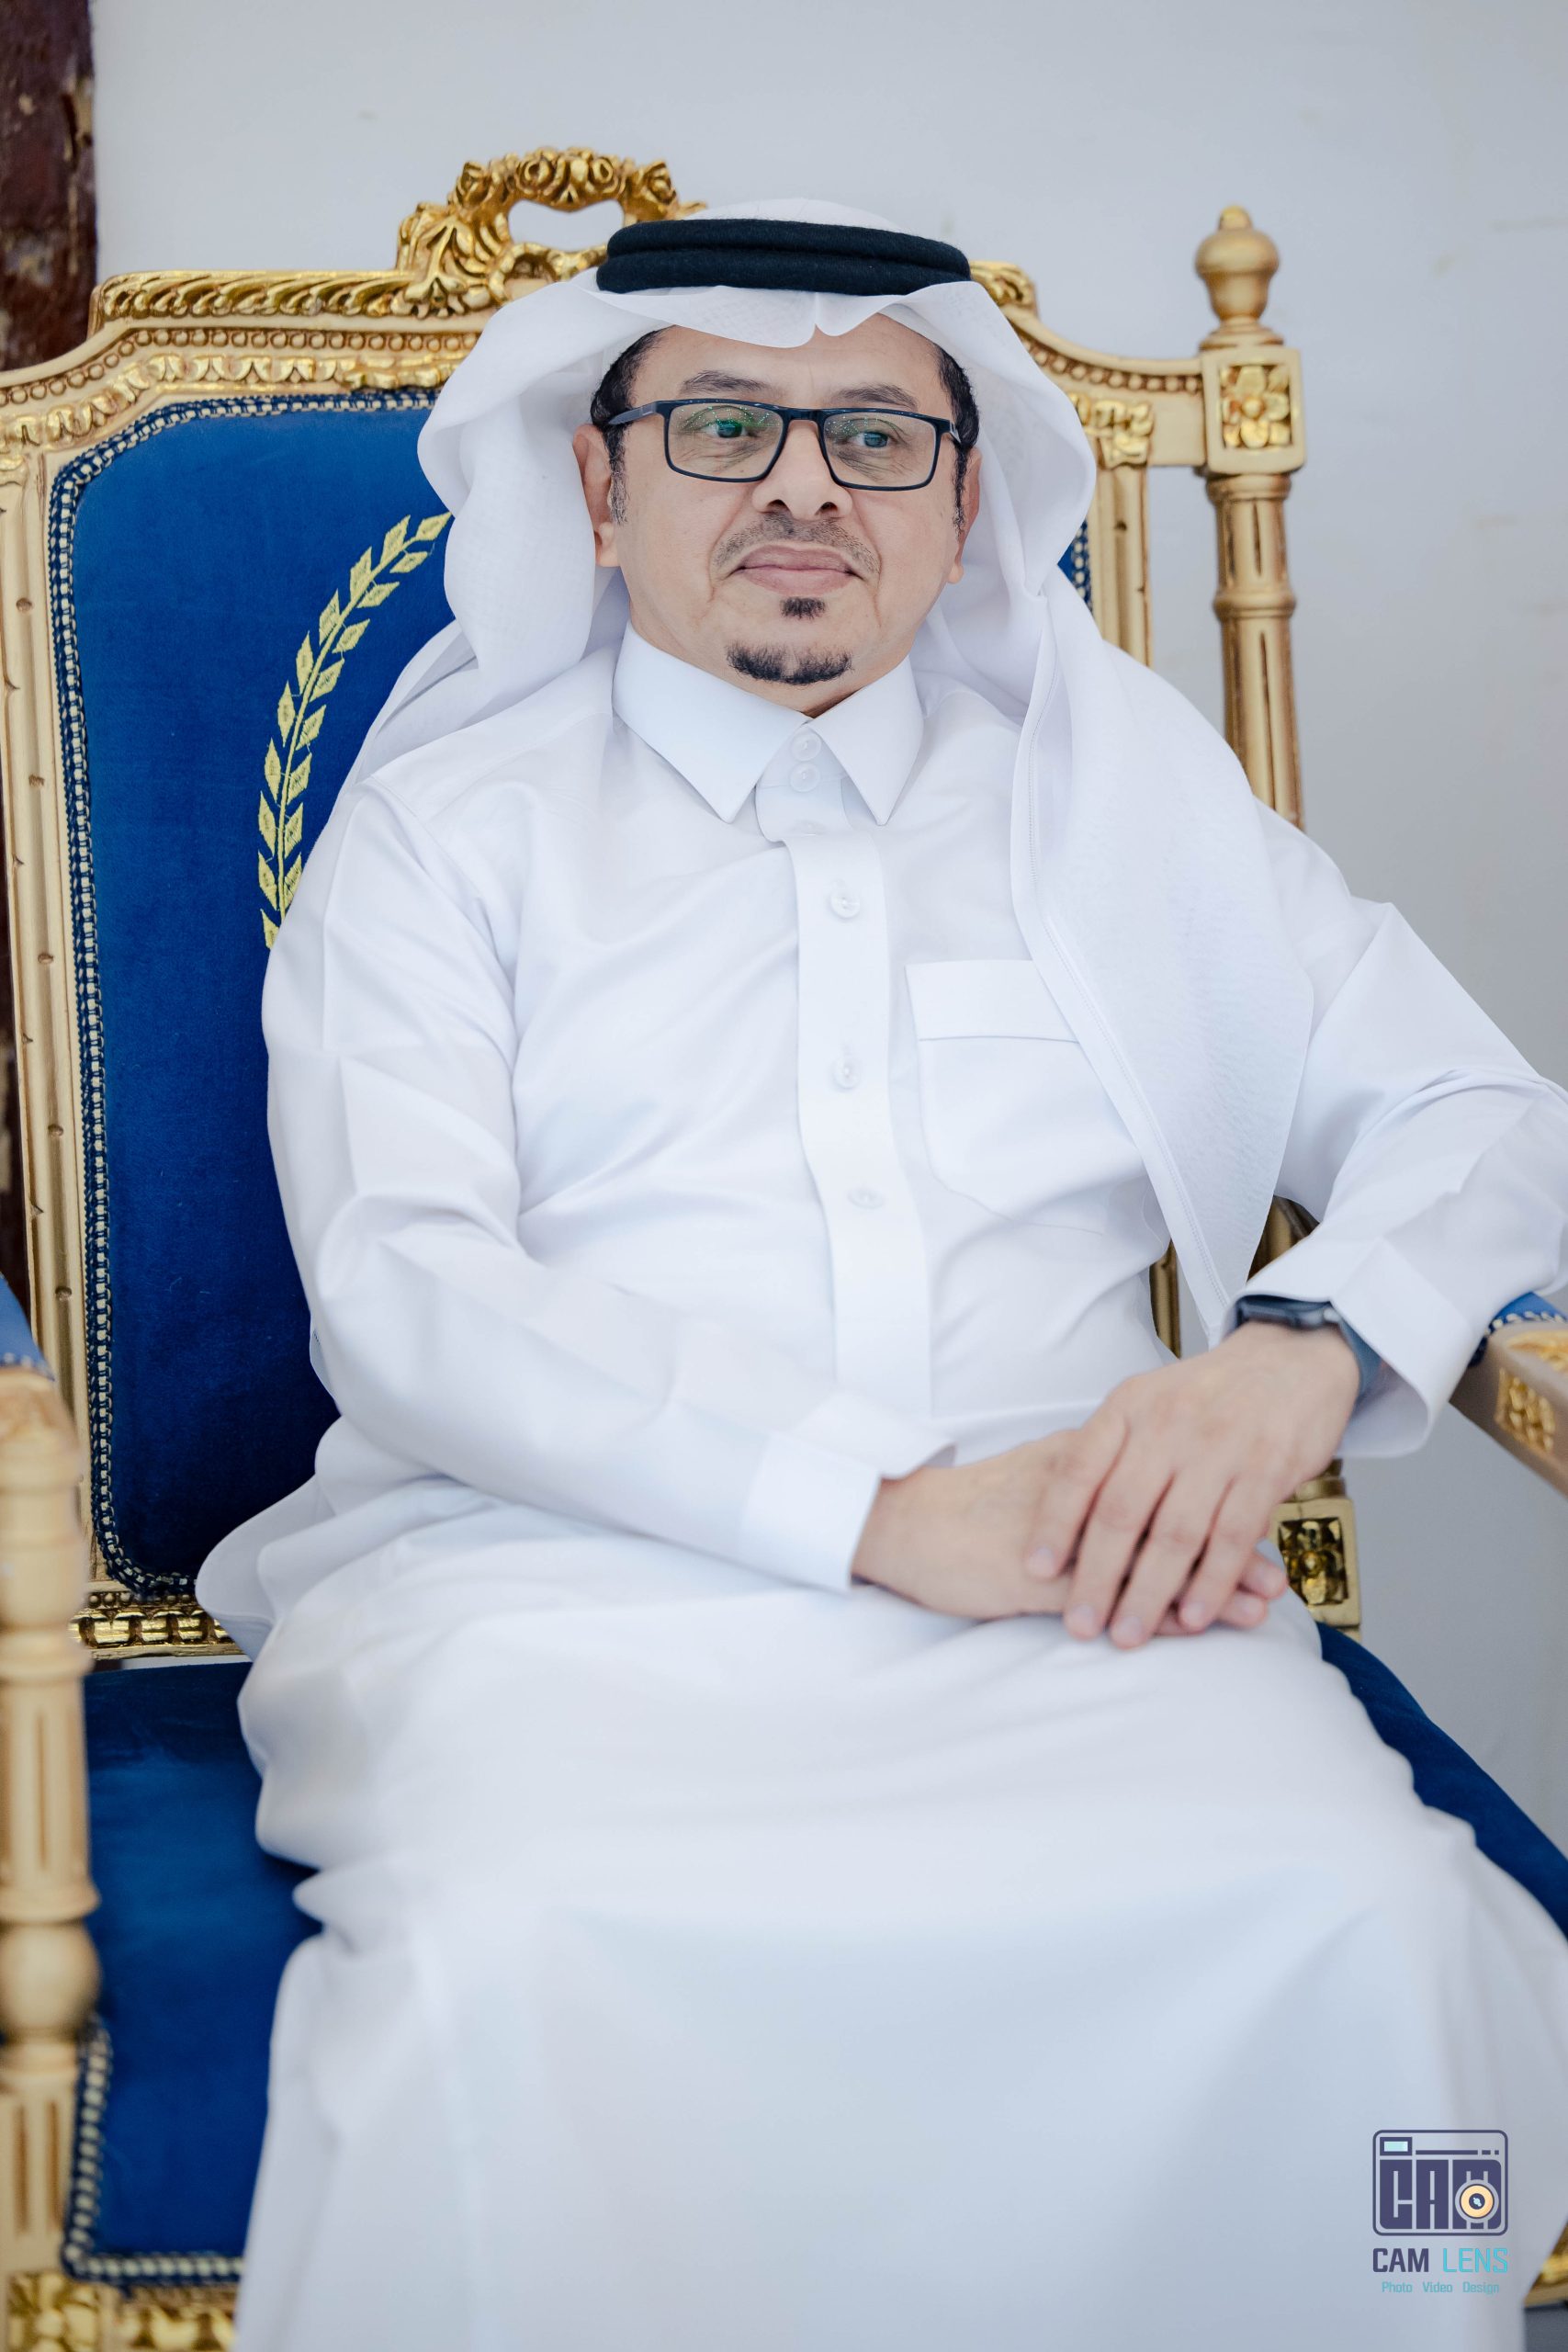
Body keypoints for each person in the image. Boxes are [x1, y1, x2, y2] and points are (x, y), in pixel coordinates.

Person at [196, 199, 1568, 2350]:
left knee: (1364, 1916)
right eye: (721, 428)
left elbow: (1478, 1115)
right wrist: (877, 1508)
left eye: (873, 436)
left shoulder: (1126, 820)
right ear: (597, 487)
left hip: (1081, 1585)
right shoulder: (453, 837)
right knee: (521, 1938)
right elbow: (409, 1289)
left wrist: (1295, 1353)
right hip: (554, 1588)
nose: (803, 489)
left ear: (958, 503)